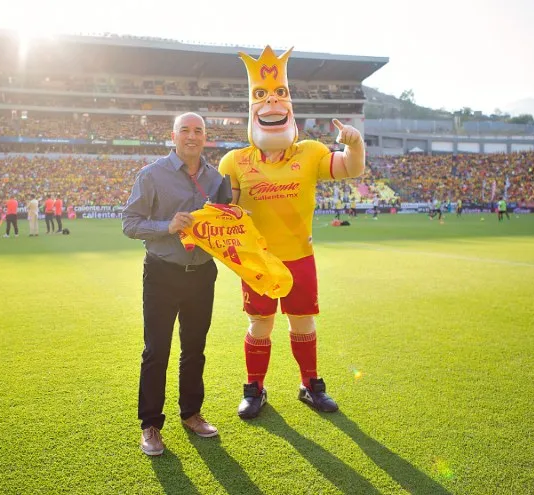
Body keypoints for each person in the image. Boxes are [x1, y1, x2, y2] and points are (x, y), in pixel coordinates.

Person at [219, 46, 366, 419]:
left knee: (303, 321)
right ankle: (255, 389)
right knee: (260, 324)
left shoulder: (312, 152)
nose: (272, 102)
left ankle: (310, 384)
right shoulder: (235, 161)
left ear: (291, 105)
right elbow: (225, 210)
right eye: (261, 96)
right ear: (250, 109)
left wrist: (356, 143)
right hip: (259, 261)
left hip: (300, 255)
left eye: (280, 94)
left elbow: (350, 169)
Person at [122, 112, 224, 456]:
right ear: (173, 135)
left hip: (202, 275)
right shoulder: (152, 175)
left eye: (198, 131)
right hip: (163, 273)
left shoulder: (217, 179)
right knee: (156, 351)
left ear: (205, 137)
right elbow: (130, 223)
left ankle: (191, 413)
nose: (192, 136)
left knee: (195, 349)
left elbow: (224, 224)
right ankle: (150, 425)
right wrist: (167, 226)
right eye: (185, 130)